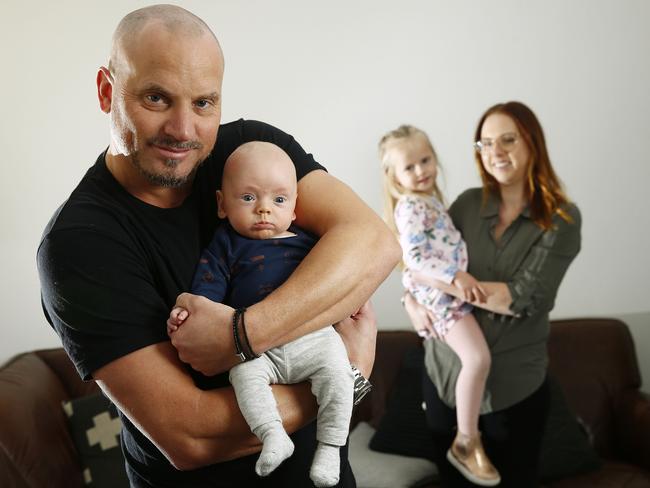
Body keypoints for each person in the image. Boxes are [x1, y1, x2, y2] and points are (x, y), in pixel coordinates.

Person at [37, 4, 400, 488]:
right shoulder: (78, 243)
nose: (183, 130)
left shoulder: (248, 152)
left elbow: (374, 243)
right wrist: (346, 378)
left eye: (204, 103)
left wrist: (240, 336)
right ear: (108, 92)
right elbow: (191, 436)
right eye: (156, 98)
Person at [402, 101, 581, 487]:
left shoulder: (561, 219)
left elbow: (522, 297)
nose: (495, 152)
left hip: (511, 392)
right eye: (484, 143)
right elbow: (424, 257)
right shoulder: (468, 203)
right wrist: (410, 301)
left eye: (507, 140)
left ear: (532, 142)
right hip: (443, 379)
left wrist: (442, 283)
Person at [167, 141, 355, 487]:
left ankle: (329, 446)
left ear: (295, 207)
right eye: (249, 198)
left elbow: (338, 283)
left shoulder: (309, 244)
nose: (264, 210)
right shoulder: (225, 245)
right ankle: (272, 435)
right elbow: (207, 296)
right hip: (256, 346)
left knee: (340, 375)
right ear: (222, 205)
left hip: (312, 338)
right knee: (244, 378)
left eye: (278, 200)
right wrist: (187, 314)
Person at [379, 125, 500, 486]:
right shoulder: (412, 206)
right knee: (477, 360)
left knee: (479, 360)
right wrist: (454, 278)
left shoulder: (432, 203)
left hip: (445, 295)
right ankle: (466, 440)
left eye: (426, 160)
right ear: (395, 177)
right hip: (445, 299)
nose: (421, 171)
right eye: (410, 167)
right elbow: (413, 259)